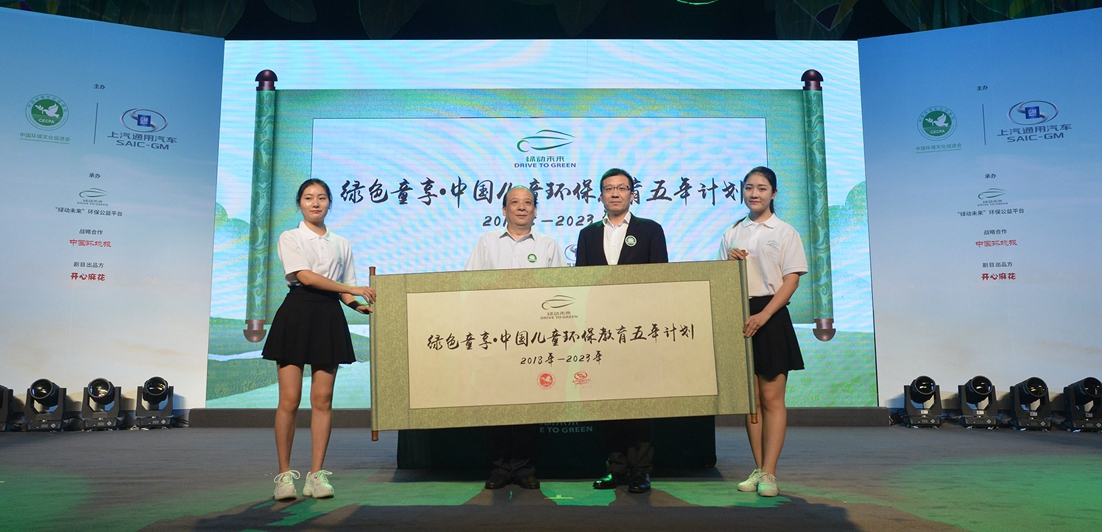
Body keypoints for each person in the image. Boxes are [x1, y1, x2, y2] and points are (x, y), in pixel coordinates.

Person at [262, 178, 376, 501]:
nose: (315, 203)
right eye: (309, 198)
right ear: (299, 203)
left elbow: (345, 289)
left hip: (328, 317)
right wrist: (351, 290)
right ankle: (284, 477)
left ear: (329, 203)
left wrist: (358, 305)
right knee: (290, 399)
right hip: (297, 314)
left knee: (323, 399)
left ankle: (316, 476)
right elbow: (305, 276)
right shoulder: (291, 236)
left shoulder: (342, 243)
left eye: (322, 198)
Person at [574, 168, 668, 493]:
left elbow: (660, 280)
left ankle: (640, 470)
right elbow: (582, 283)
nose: (615, 193)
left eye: (621, 188)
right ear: (600, 196)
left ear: (632, 194)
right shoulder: (587, 234)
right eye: (608, 188)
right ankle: (615, 468)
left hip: (640, 329)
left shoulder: (650, 230)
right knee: (609, 400)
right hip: (601, 330)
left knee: (639, 401)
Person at [466, 185, 563, 490]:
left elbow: (560, 290)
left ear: (535, 211)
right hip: (494, 335)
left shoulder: (548, 245)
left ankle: (524, 468)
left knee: (528, 402)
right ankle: (498, 468)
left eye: (528, 203)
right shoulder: (487, 243)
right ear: (504, 210)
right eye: (515, 203)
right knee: (496, 401)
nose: (522, 207)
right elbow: (469, 284)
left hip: (535, 336)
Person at [719, 166, 807, 498]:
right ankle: (758, 468)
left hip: (771, 316)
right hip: (740, 315)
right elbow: (722, 281)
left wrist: (764, 315)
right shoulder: (732, 232)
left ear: (773, 193)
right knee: (751, 401)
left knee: (772, 398)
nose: (754, 193)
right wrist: (730, 264)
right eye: (749, 187)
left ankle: (770, 472)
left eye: (762, 188)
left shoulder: (785, 232)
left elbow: (791, 280)